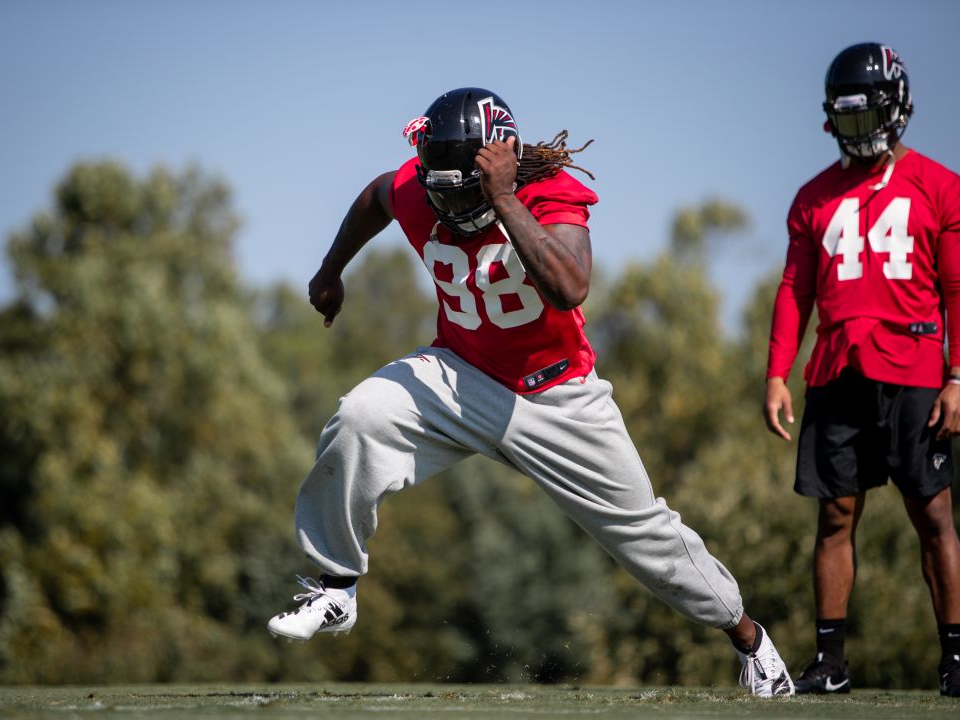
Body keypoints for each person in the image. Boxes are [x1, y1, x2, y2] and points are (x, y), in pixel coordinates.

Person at [266, 87, 793, 697]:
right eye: (445, 188)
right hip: (460, 374)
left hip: (557, 396)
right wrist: (332, 270)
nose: (453, 201)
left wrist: (504, 197)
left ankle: (751, 641)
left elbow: (570, 287)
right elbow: (377, 195)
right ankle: (336, 586)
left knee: (647, 537)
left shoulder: (549, 191)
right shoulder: (422, 185)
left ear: (501, 160)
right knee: (360, 415)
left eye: (468, 187)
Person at [762, 44, 960, 697]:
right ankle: (831, 663)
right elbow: (794, 289)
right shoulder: (812, 197)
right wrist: (775, 372)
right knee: (833, 518)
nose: (857, 132)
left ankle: (958, 663)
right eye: (845, 119)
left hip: (912, 367)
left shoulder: (940, 186)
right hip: (836, 370)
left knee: (933, 516)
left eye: (866, 116)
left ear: (897, 107)